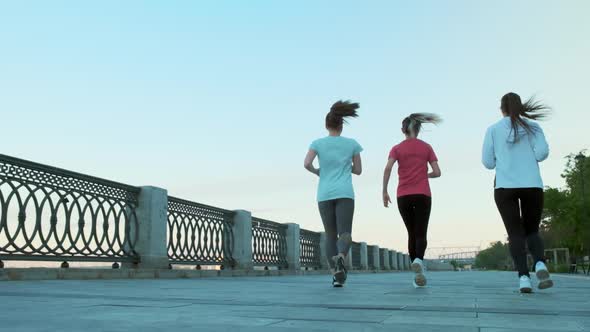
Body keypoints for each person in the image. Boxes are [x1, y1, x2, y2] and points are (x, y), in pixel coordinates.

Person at [482, 92, 553, 293]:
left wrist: (503, 160)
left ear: (501, 109)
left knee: (515, 234)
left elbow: (487, 162)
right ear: (521, 107)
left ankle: (523, 278)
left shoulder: (493, 129)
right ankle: (540, 264)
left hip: (505, 187)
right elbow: (542, 153)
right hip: (532, 185)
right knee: (532, 230)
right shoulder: (534, 127)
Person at [304, 100, 363, 287]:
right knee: (345, 232)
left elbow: (306, 164)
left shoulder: (317, 143)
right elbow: (359, 170)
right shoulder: (352, 144)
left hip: (324, 194)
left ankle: (336, 274)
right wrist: (345, 166)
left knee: (330, 235)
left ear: (326, 125)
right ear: (341, 126)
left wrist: (318, 171)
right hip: (345, 193)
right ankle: (340, 257)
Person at [382, 113, 442, 288]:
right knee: (421, 232)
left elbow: (387, 168)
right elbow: (437, 172)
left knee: (411, 233)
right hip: (423, 194)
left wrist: (384, 191)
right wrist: (425, 175)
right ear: (418, 129)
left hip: (403, 195)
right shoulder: (426, 147)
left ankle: (417, 274)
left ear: (403, 130)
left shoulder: (397, 148)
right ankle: (419, 262)